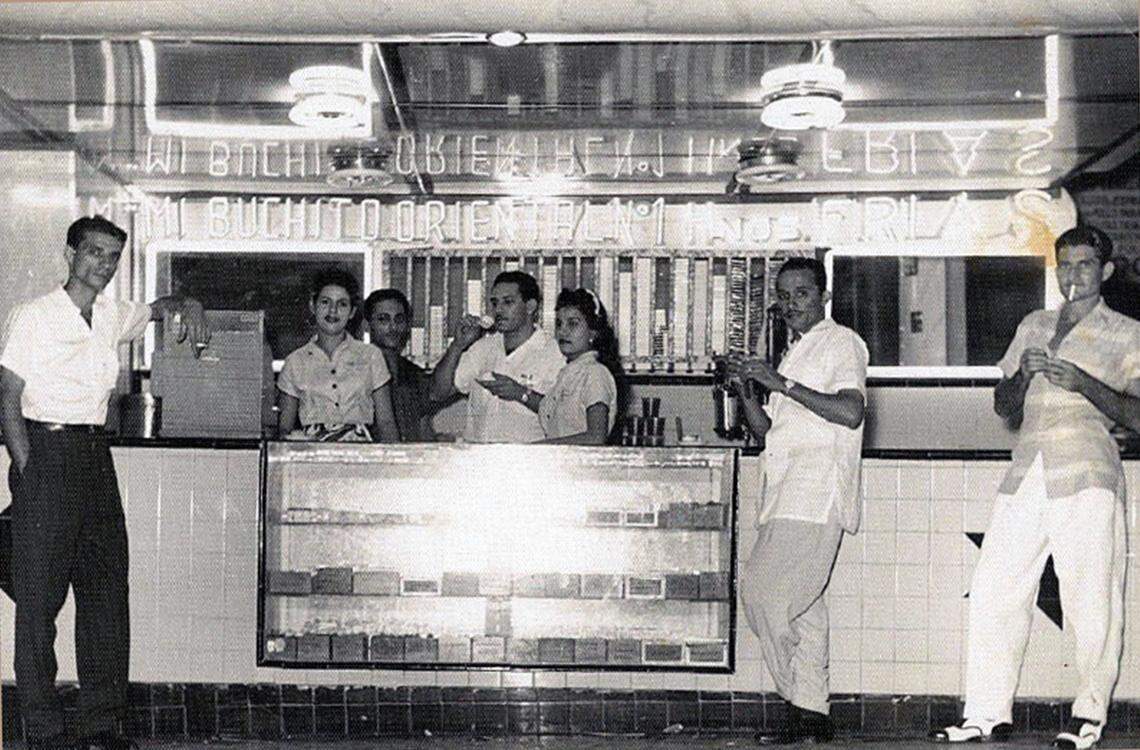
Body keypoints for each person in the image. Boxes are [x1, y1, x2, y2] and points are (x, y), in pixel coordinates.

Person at [0, 215, 209, 750]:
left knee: (106, 593)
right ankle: (44, 731)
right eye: (94, 253)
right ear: (69, 254)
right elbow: (6, 400)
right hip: (46, 451)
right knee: (38, 602)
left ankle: (101, 724)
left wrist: (190, 304)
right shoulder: (34, 316)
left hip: (95, 455)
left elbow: (161, 309)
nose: (104, 265)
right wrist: (29, 470)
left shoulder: (113, 314)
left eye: (113, 256)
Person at [933, 225, 1140, 750]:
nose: (1073, 275)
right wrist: (1022, 377)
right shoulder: (1034, 323)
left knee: (1091, 598)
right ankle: (985, 712)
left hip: (1088, 474)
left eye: (1085, 265)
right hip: (1027, 471)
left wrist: (1085, 384)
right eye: (1065, 264)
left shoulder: (1127, 332)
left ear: (1105, 271)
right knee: (994, 591)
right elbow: (1003, 406)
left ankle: (1088, 716)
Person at [723, 256, 868, 745]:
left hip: (814, 492)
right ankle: (812, 715)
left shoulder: (841, 342)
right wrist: (747, 390)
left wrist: (779, 383)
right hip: (784, 491)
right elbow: (767, 432)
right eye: (784, 296)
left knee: (763, 597)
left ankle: (794, 699)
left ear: (823, 297)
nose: (791, 304)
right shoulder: (794, 352)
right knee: (805, 611)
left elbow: (850, 412)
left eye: (801, 293)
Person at [429, 270, 564, 443]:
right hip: (478, 461)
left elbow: (566, 417)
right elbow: (439, 392)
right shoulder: (483, 348)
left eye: (508, 302)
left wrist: (521, 394)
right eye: (495, 303)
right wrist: (457, 345)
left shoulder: (555, 352)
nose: (498, 310)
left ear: (530, 306)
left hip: (529, 463)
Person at [277, 269, 400, 443]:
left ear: (351, 312)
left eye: (342, 304)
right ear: (313, 306)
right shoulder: (295, 362)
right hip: (312, 459)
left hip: (361, 458)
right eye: (325, 302)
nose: (333, 311)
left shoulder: (371, 356)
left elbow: (386, 423)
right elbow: (284, 429)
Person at [535, 288, 621, 445]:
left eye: (573, 324)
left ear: (593, 332)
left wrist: (541, 447)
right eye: (559, 324)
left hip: (582, 467)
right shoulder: (568, 373)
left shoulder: (595, 373)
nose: (563, 331)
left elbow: (596, 437)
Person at [362, 288, 438, 442]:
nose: (393, 327)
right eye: (383, 319)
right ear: (367, 326)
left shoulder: (413, 374)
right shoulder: (355, 372)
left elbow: (423, 431)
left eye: (399, 319)